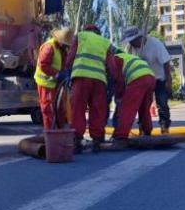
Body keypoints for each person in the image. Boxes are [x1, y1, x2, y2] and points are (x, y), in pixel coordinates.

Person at [62, 24, 123, 152]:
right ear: (98, 32)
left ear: (87, 30)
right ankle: (97, 140)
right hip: (99, 80)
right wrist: (115, 79)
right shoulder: (104, 41)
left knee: (78, 108)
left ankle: (77, 139)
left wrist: (67, 68)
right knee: (97, 109)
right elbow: (112, 65)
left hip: (81, 78)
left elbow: (71, 55)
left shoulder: (80, 36)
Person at [122, 26, 172, 134]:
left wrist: (168, 81)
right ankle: (143, 129)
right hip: (143, 80)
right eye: (130, 41)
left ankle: (165, 128)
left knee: (162, 103)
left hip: (159, 78)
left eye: (133, 41)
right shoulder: (129, 48)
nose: (132, 44)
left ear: (140, 37)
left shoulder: (155, 44)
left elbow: (166, 63)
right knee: (142, 105)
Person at [111, 50, 156, 148]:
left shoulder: (115, 59)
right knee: (144, 108)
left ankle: (121, 137)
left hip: (138, 78)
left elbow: (119, 80)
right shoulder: (128, 57)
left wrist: (119, 97)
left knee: (127, 108)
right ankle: (146, 131)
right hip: (151, 78)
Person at [34, 27, 72, 130]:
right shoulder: (49, 47)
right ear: (60, 40)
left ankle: (59, 131)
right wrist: (57, 74)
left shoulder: (61, 49)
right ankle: (50, 133)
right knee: (48, 109)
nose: (66, 46)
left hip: (56, 83)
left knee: (59, 108)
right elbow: (43, 65)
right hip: (45, 83)